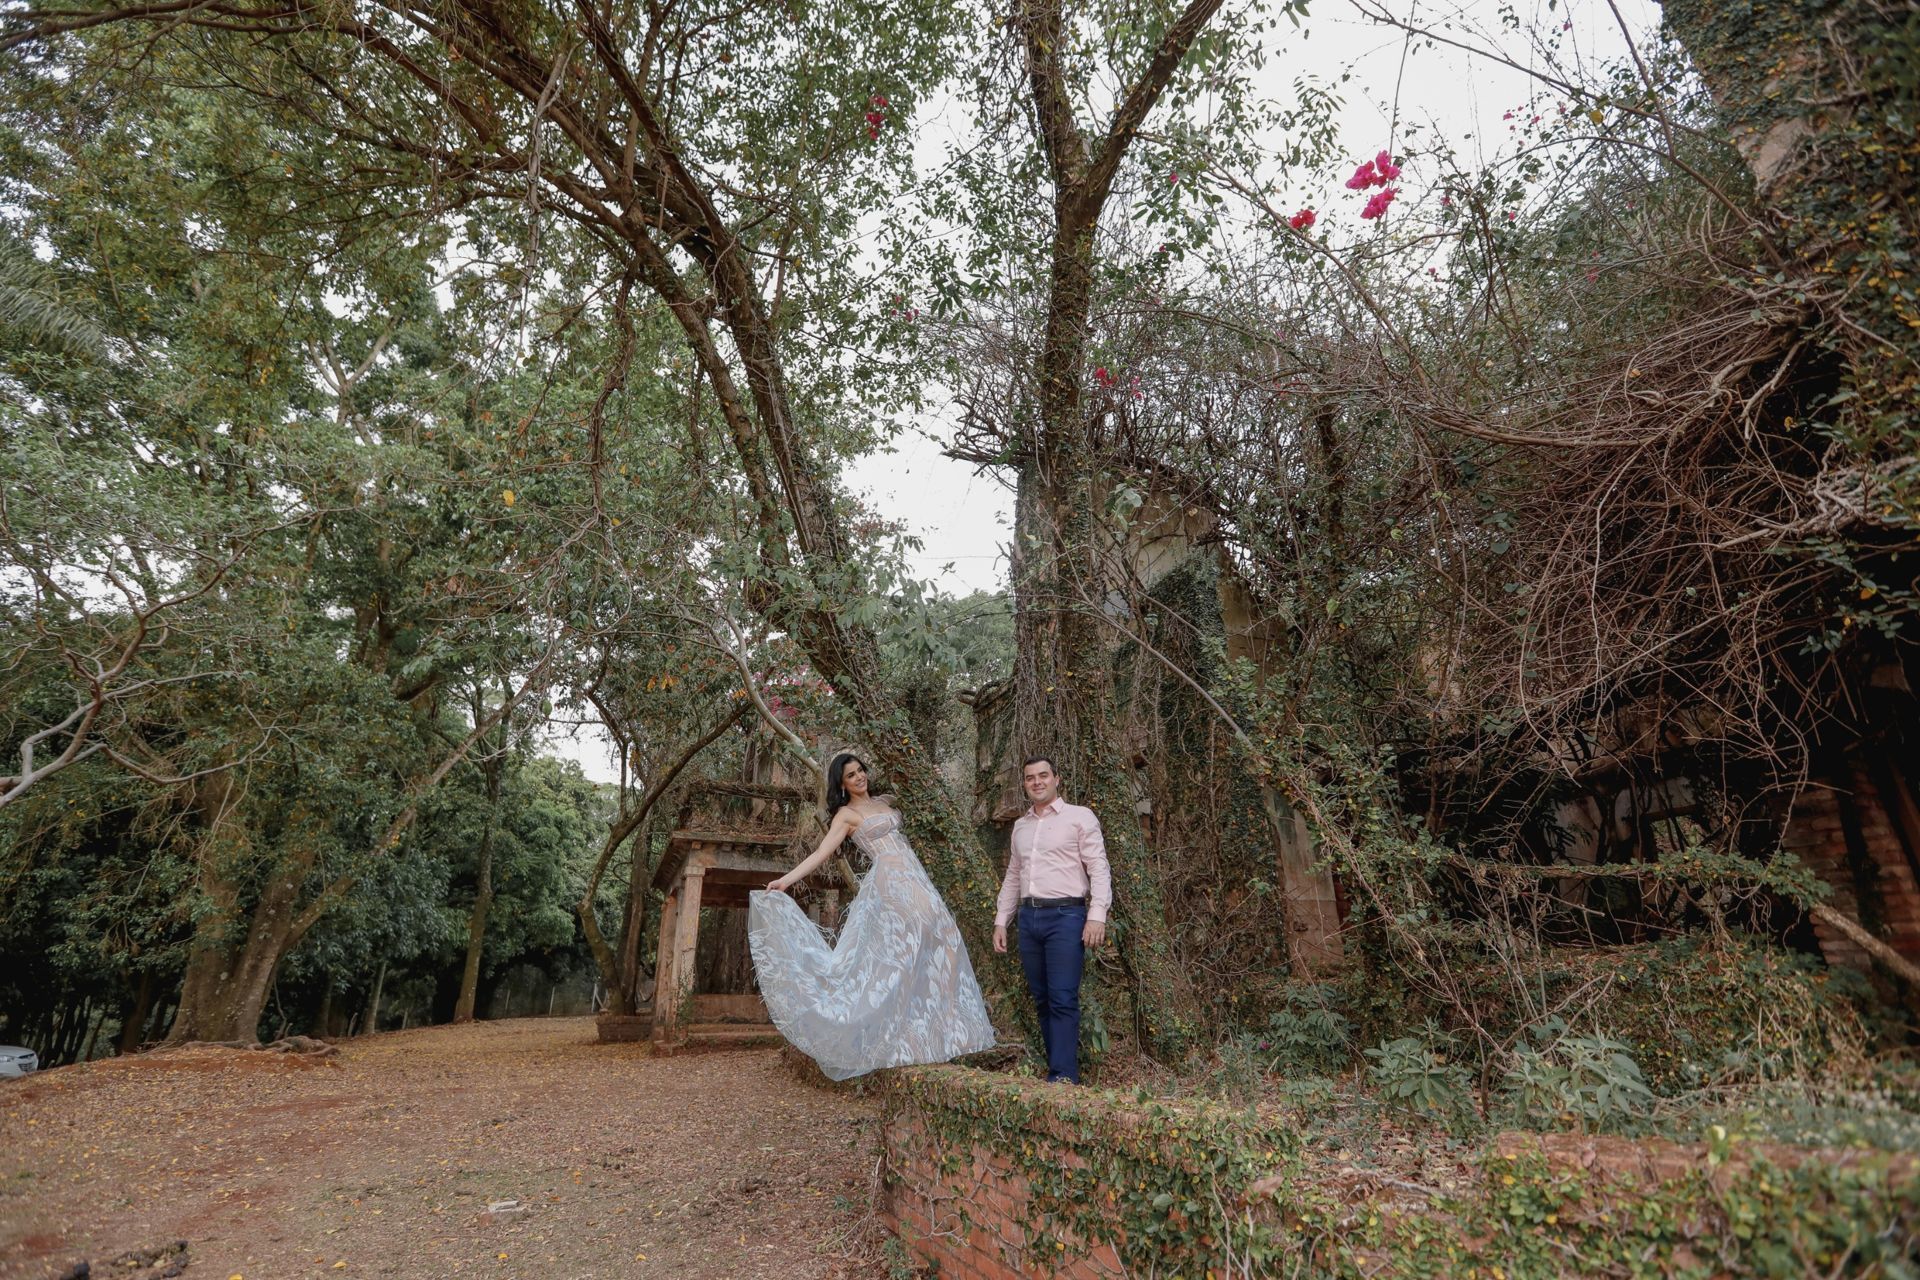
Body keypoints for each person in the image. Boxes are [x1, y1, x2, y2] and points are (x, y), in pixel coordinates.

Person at [747, 752, 997, 1080]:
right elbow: (822, 853)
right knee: (914, 947)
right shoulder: (847, 816)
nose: (859, 777)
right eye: (851, 775)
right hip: (892, 883)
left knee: (946, 938)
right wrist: (786, 880)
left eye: (860, 770)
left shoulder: (886, 800)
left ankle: (941, 1029)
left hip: (917, 876)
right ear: (842, 783)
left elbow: (918, 790)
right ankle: (904, 1034)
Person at [992, 756, 1110, 1084]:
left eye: (1043, 776)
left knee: (1062, 997)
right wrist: (1002, 920)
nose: (1037, 782)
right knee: (1042, 998)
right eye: (1030, 778)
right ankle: (1055, 1068)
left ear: (1057, 778)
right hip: (1029, 920)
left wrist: (1096, 915)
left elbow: (1098, 867)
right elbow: (1013, 874)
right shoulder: (1021, 826)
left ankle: (1063, 1077)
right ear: (1025, 784)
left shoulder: (1080, 817)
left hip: (1066, 916)